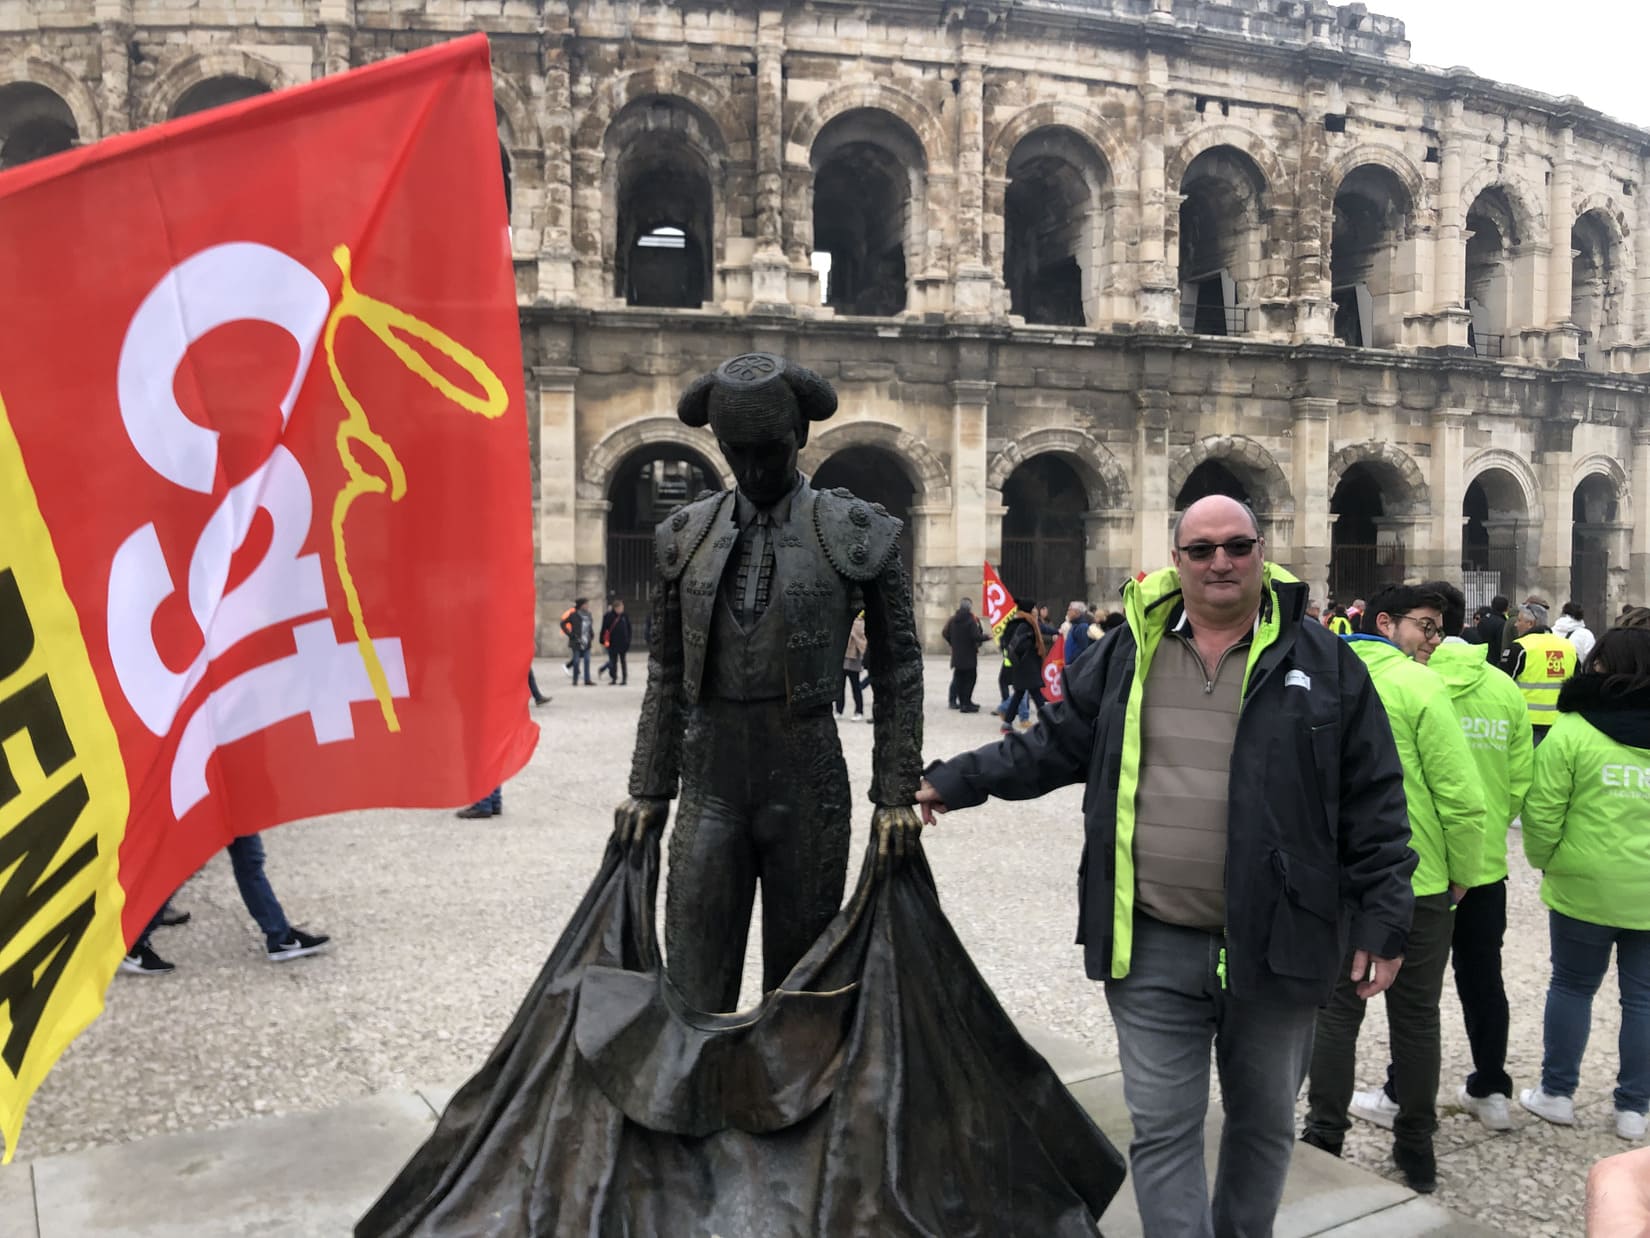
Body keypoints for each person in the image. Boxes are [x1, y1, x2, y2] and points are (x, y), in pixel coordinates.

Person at [916, 495, 1416, 1237]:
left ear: (1261, 552)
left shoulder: (1327, 661)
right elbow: (1053, 742)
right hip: (1149, 939)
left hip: (1281, 939)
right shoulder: (1127, 651)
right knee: (1162, 1130)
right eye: (1203, 548)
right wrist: (957, 781)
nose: (1221, 561)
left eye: (1237, 546)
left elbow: (1373, 797)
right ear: (1176, 560)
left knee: (1265, 1126)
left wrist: (1384, 916)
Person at [612, 353, 923, 1014]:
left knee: (801, 987)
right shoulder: (685, 533)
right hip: (709, 778)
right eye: (737, 452)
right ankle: (694, 1105)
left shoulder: (854, 530)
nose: (753, 468)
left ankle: (791, 1115)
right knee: (693, 977)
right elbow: (666, 674)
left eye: (769, 450)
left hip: (806, 774)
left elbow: (897, 668)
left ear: (801, 437)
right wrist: (647, 787)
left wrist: (895, 792)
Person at [1303, 584, 1485, 1192]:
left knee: (1336, 1009)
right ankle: (1415, 1146)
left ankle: (1323, 1133)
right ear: (1386, 624)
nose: (1434, 641)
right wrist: (1464, 874)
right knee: (1416, 1017)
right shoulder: (1418, 685)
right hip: (1419, 876)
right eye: (1427, 628)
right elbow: (1460, 800)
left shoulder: (1319, 675)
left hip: (1338, 874)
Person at [1349, 580, 1532, 1134]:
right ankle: (1491, 1087)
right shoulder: (1501, 689)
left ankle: (1398, 1092)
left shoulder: (1404, 682)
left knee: (1410, 998)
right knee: (1483, 979)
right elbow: (1521, 779)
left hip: (1421, 864)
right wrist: (1486, 836)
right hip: (1483, 864)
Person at [1519, 623, 1650, 1143]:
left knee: (1572, 986)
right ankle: (1634, 1107)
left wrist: (1546, 860)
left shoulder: (1572, 730)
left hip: (1583, 882)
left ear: (1596, 665)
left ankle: (1556, 1092)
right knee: (1643, 1000)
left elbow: (1543, 811)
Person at [120, 834, 330, 974]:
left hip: (226, 789)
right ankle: (134, 943)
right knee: (184, 867)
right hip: (216, 788)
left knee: (249, 861)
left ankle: (280, 937)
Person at [1501, 602, 1577, 745]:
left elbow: (1502, 686)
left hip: (1527, 725)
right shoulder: (1568, 647)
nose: (1516, 625)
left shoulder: (1520, 647)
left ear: (1530, 624)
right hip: (1561, 724)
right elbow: (1578, 685)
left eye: (1519, 620)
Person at [997, 598, 1049, 735]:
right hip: (1027, 664)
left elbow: (1004, 641)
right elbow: (1023, 645)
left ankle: (1007, 724)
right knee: (1036, 694)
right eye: (1034, 608)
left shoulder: (1014, 622)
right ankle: (1048, 723)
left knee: (1020, 694)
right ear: (1029, 610)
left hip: (1020, 665)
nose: (1036, 610)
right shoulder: (1026, 624)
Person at [942, 596, 987, 712]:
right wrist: (986, 637)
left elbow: (945, 633)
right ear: (970, 608)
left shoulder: (953, 619)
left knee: (958, 678)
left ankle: (955, 701)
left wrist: (953, 643)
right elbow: (976, 636)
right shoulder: (971, 620)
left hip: (957, 655)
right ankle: (965, 703)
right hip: (969, 655)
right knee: (970, 679)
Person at [838, 610, 867, 722]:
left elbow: (862, 639)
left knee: (855, 686)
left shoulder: (858, 623)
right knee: (840, 686)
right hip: (842, 657)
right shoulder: (841, 620)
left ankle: (859, 711)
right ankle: (839, 710)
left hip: (853, 659)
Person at [561, 596, 594, 685]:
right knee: (576, 661)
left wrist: (591, 634)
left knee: (587, 660)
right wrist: (570, 634)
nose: (587, 606)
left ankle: (587, 680)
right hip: (576, 641)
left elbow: (589, 626)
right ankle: (575, 680)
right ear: (581, 605)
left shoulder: (589, 614)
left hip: (586, 641)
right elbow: (563, 623)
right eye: (586, 604)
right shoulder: (574, 615)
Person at [601, 598, 633, 685]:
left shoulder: (624, 616)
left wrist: (628, 640)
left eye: (622, 607)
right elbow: (604, 629)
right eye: (620, 607)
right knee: (613, 662)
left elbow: (629, 628)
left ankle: (624, 679)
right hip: (612, 643)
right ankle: (614, 678)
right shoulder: (608, 616)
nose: (622, 609)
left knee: (623, 661)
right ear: (615, 608)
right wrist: (603, 640)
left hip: (623, 643)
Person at [1064, 599, 1098, 665]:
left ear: (1077, 612)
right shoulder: (1075, 625)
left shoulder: (1082, 627)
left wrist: (1072, 661)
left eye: (1070, 610)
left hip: (1075, 665)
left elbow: (1083, 649)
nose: (1068, 612)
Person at [1478, 594, 1511, 661]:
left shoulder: (1483, 619)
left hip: (1482, 655)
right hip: (1495, 659)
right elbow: (1501, 643)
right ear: (1506, 608)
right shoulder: (1502, 623)